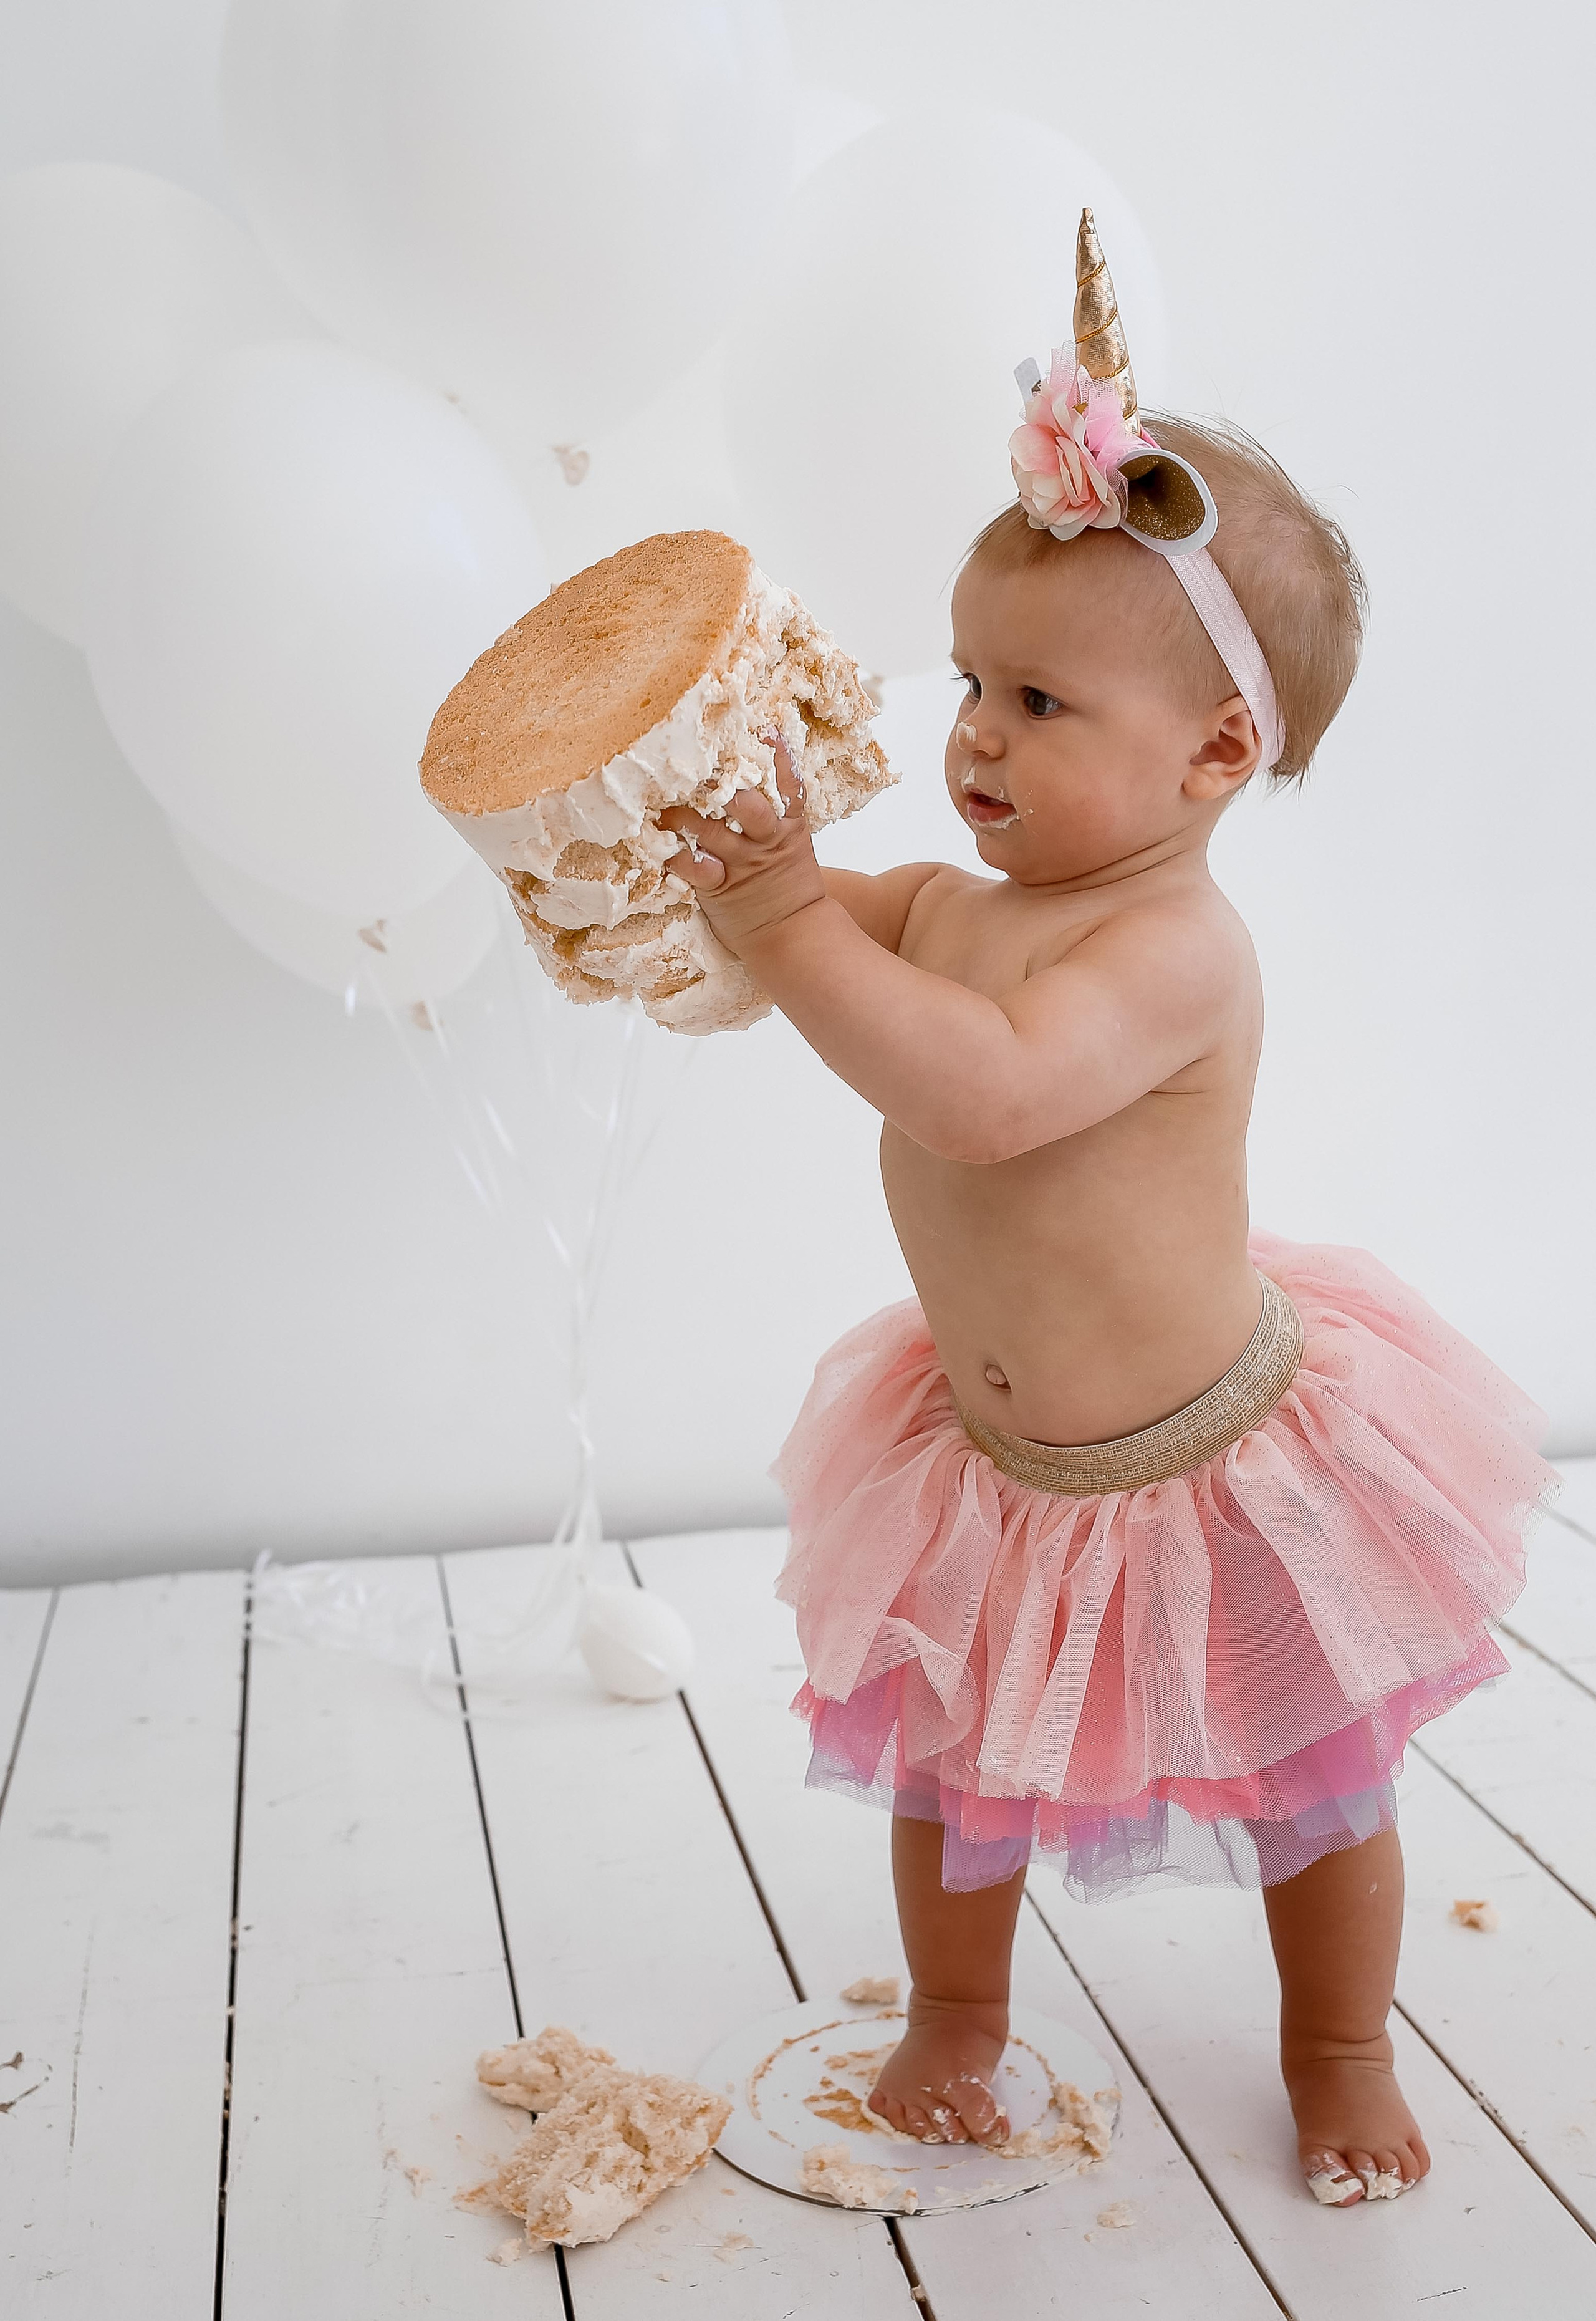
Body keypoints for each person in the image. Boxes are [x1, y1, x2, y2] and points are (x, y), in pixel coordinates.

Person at [660, 213, 1550, 2209]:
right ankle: (957, 2017)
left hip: (1208, 1467)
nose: (976, 730)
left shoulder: (1171, 954)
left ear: (1218, 751)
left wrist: (790, 917)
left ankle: (1338, 2042)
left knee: (1314, 1781)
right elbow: (808, 949)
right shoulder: (957, 897)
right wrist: (717, 876)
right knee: (948, 1766)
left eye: (1043, 702)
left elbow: (976, 1093)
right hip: (993, 1476)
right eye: (976, 678)